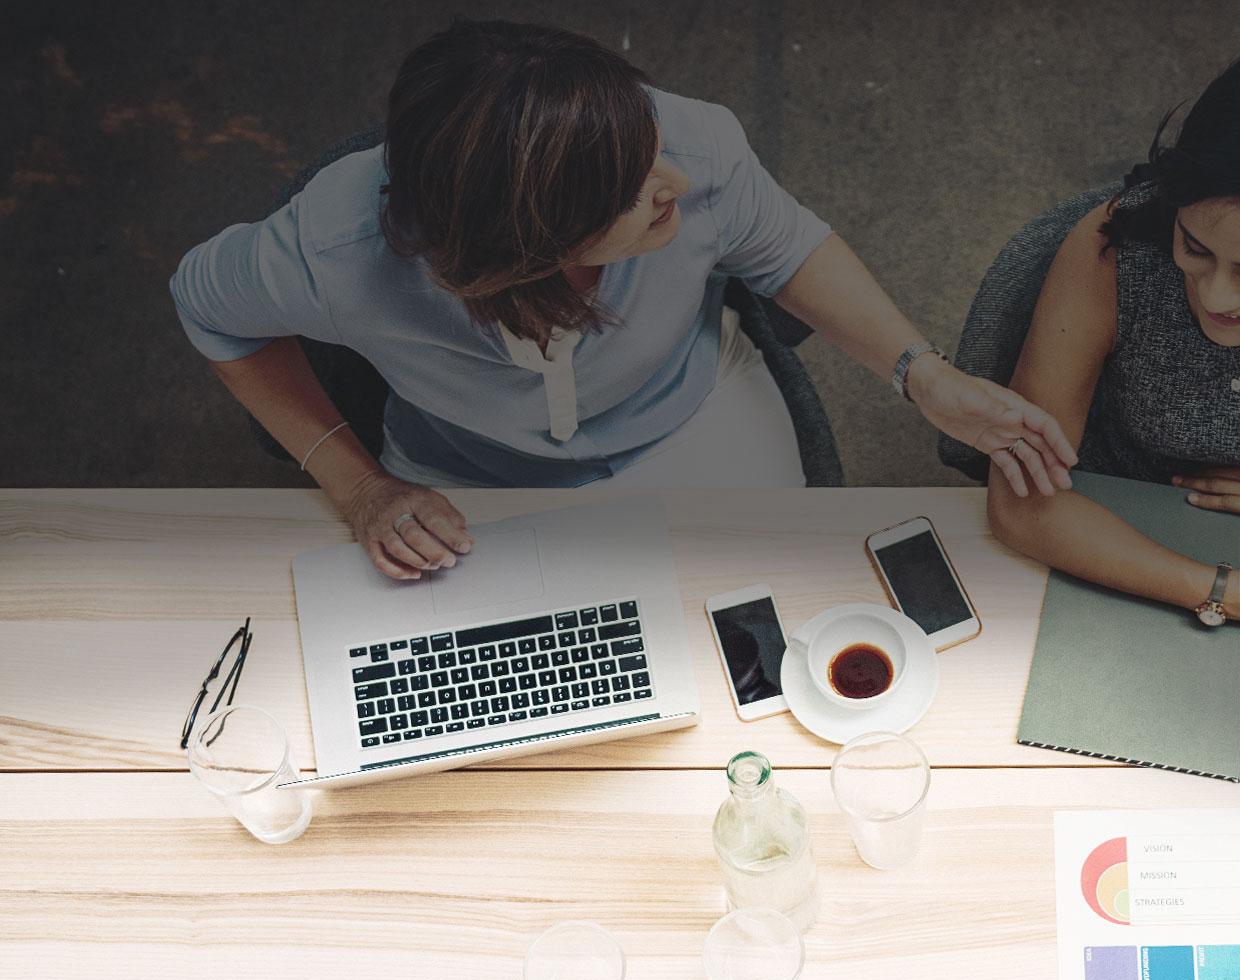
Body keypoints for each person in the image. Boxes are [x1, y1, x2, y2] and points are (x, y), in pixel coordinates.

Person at [170, 19, 1074, 582]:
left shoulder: (695, 145)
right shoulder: (331, 249)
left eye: (649, 145)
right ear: (522, 247)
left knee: (780, 610)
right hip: (470, 471)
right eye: (631, 194)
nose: (675, 178)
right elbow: (207, 310)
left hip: (690, 414)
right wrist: (359, 485)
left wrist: (923, 374)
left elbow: (786, 244)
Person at [986, 58, 1240, 624]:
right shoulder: (1116, 252)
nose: (1219, 297)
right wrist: (1220, 590)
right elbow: (1021, 504)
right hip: (1106, 518)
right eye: (1196, 248)